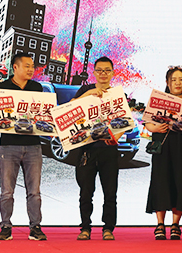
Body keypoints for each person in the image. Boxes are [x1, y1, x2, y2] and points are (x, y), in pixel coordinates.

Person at [0, 53, 47, 241]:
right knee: (7, 191)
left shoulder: (37, 88)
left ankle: (35, 227)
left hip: (33, 146)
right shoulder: (1, 89)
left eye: (32, 66)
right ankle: (5, 227)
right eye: (27, 66)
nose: (31, 69)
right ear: (15, 67)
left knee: (34, 191)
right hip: (8, 146)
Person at [145, 66, 182, 240]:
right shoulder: (158, 100)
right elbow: (147, 123)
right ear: (167, 82)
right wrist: (155, 128)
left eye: (181, 79)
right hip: (162, 148)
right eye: (174, 80)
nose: (178, 83)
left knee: (181, 183)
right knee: (161, 182)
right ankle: (160, 224)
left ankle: (175, 224)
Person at [72, 56, 120, 241]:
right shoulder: (85, 90)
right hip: (87, 149)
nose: (103, 74)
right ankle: (85, 227)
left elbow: (124, 122)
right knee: (85, 192)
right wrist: (90, 93)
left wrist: (117, 137)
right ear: (94, 72)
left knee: (110, 192)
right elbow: (70, 108)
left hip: (109, 150)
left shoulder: (117, 94)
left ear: (113, 73)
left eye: (107, 70)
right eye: (99, 70)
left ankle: (108, 228)